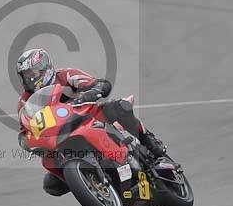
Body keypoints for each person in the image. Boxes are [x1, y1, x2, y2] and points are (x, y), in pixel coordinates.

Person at [15, 48, 167, 196]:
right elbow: (25, 130)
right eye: (25, 75)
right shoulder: (25, 101)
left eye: (32, 73)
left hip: (87, 116)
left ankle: (149, 141)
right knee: (51, 185)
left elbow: (100, 84)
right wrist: (27, 142)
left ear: (45, 68)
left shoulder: (66, 75)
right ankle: (88, 180)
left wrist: (89, 93)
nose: (29, 78)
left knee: (119, 107)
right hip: (59, 136)